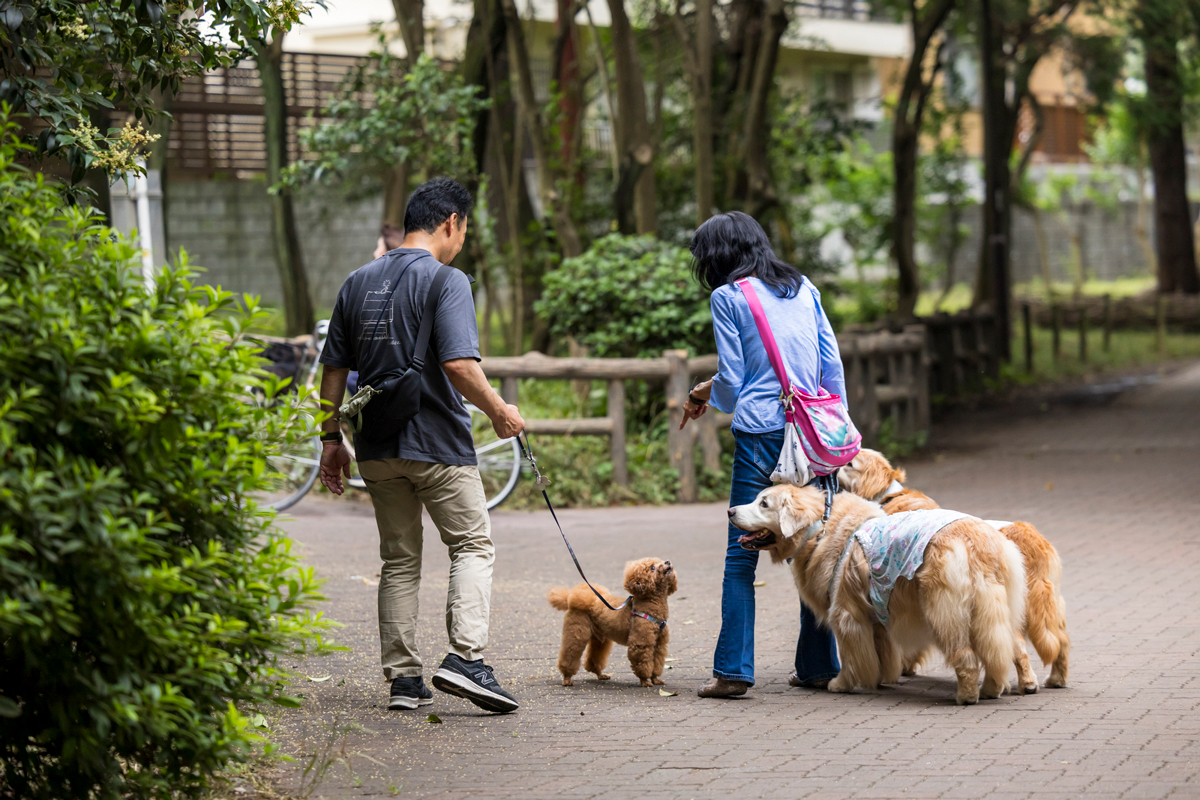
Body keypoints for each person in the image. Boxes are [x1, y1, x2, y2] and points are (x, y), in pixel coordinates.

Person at [317, 178, 526, 714]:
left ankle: (405, 681)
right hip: (435, 442)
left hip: (376, 447)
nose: (462, 241)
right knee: (472, 545)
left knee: (400, 561)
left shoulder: (356, 281)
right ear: (451, 222)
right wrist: (500, 411)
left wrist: (330, 439)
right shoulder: (447, 280)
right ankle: (466, 659)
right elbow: (459, 365)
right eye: (464, 230)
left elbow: (334, 368)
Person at [679, 211, 846, 699]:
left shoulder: (728, 297)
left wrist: (712, 396)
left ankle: (732, 670)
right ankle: (818, 666)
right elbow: (830, 364)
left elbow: (733, 380)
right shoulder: (803, 288)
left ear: (718, 256)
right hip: (814, 431)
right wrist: (831, 428)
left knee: (741, 552)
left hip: (761, 433)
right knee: (813, 544)